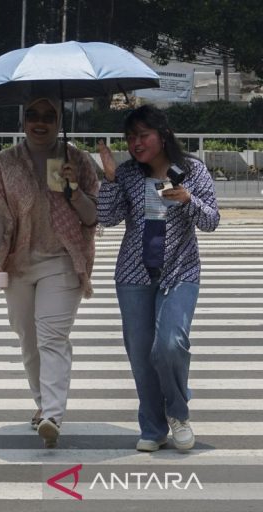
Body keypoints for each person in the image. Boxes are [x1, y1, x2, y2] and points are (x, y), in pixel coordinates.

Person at [97, 105, 220, 453]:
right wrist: (109, 179)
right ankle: (153, 426)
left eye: (143, 135)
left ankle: (178, 414)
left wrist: (188, 199)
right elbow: (107, 218)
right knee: (140, 354)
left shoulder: (192, 170)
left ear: (162, 134)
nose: (136, 143)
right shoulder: (127, 174)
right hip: (134, 276)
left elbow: (212, 220)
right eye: (130, 137)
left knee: (169, 345)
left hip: (180, 272)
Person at [0, 95, 98, 448]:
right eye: (33, 114)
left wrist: (73, 188)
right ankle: (41, 404)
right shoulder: (5, 163)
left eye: (49, 115)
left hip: (62, 259)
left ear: (60, 121)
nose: (41, 122)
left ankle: (52, 415)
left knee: (52, 338)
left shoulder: (77, 160)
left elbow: (93, 218)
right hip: (17, 262)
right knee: (29, 341)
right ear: (23, 120)